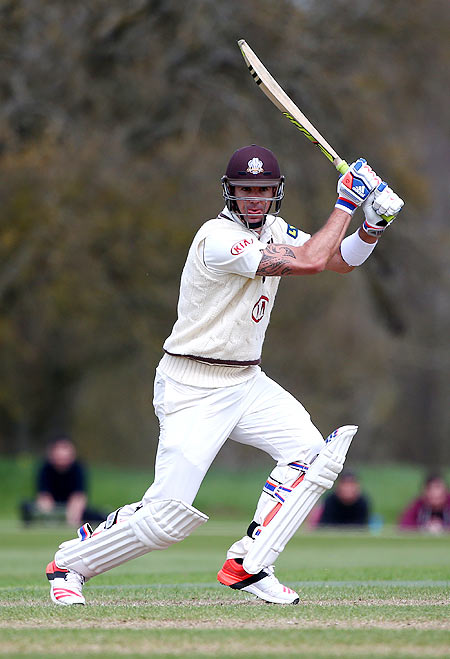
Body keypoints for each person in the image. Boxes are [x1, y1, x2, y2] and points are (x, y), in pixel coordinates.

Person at [45, 145, 404, 605]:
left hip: (246, 382)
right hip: (191, 385)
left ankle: (249, 564)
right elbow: (311, 259)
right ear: (230, 192)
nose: (255, 199)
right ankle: (69, 564)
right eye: (246, 190)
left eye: (264, 190)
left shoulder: (274, 228)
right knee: (167, 518)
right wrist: (347, 202)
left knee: (312, 456)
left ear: (276, 193)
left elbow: (338, 260)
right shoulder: (216, 238)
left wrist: (372, 226)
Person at [21, 436, 105, 527]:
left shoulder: (78, 468)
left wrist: (73, 515)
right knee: (26, 506)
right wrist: (50, 514)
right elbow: (43, 495)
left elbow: (79, 496)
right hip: (52, 506)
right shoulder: (45, 468)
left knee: (95, 515)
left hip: (72, 506)